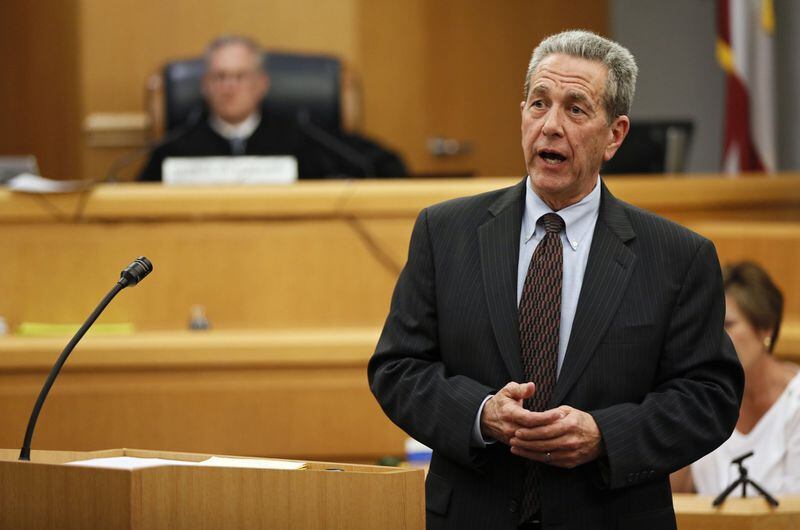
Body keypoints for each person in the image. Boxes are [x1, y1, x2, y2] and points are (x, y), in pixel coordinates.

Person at [368, 30, 744, 530]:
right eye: (539, 104)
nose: (550, 126)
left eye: (575, 109)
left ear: (615, 135)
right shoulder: (445, 231)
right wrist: (481, 414)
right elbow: (397, 367)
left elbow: (708, 398)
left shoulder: (677, 256)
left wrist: (604, 435)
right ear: (521, 112)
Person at [138, 35, 406, 181]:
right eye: (220, 77)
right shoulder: (176, 146)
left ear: (261, 84)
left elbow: (384, 166)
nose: (229, 87)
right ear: (205, 85)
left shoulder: (301, 137)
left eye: (240, 76)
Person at [672, 261, 800, 496]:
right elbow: (675, 497)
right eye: (710, 328)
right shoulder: (699, 398)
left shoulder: (795, 404)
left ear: (766, 328)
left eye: (728, 325)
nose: (717, 340)